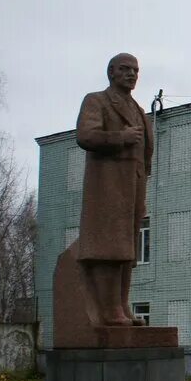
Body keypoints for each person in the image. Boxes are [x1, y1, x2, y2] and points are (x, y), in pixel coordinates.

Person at [75, 53, 152, 326]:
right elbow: (85, 135)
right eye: (125, 69)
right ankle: (109, 313)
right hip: (107, 187)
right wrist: (121, 137)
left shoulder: (139, 110)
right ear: (111, 72)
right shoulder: (97, 100)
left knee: (127, 252)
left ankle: (121, 307)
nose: (131, 74)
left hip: (132, 187)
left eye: (135, 70)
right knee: (109, 248)